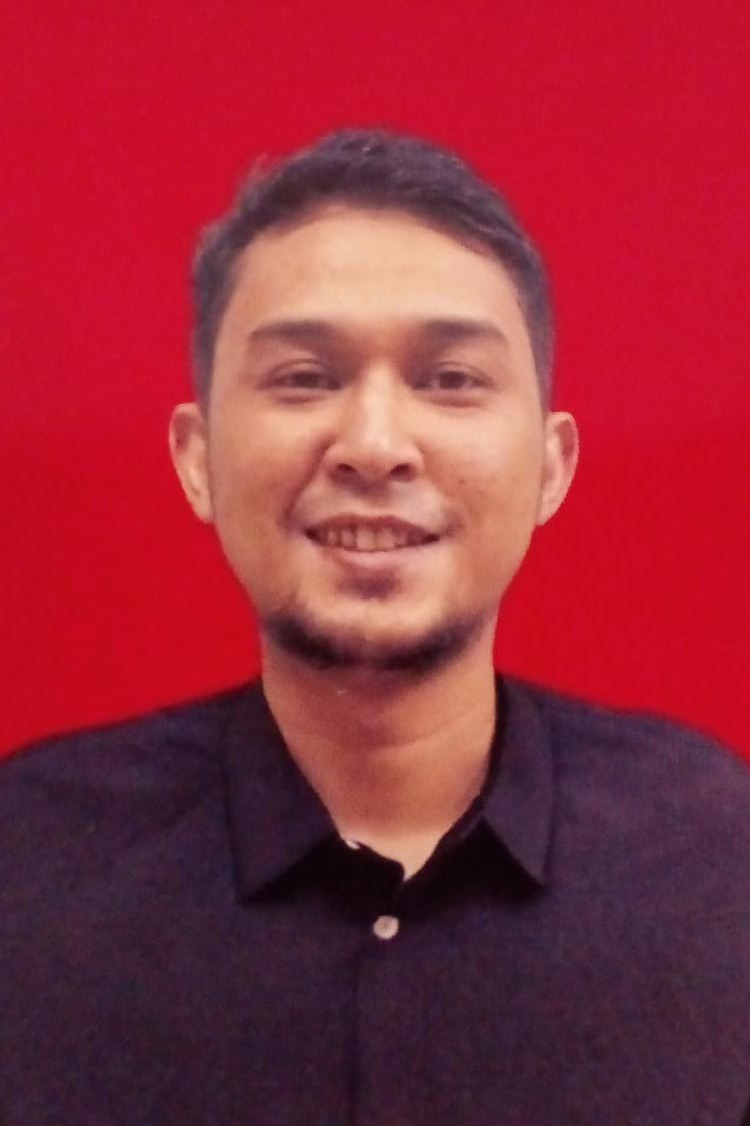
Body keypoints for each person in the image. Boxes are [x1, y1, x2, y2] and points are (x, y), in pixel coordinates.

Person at [1, 128, 749, 1126]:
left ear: (551, 466)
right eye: (306, 376)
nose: (375, 444)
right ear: (197, 458)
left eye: (451, 379)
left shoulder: (715, 856)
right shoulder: (29, 863)